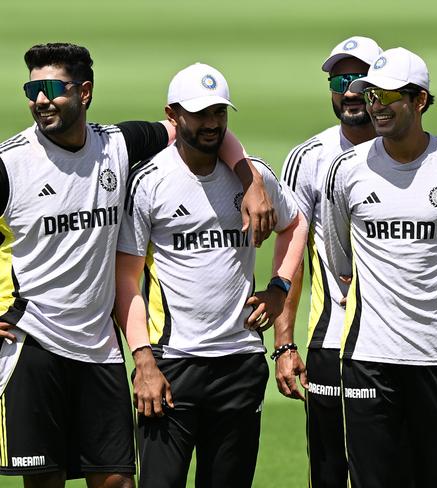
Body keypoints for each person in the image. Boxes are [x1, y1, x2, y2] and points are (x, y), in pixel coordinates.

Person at [0, 43, 274, 488]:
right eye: (32, 88)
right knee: (44, 482)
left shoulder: (119, 145)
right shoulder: (9, 163)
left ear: (84, 92)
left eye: (52, 88)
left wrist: (250, 178)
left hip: (100, 346)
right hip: (34, 343)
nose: (40, 99)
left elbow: (203, 126)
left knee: (118, 482)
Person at [114, 62, 308, 488]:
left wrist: (279, 287)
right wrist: (143, 360)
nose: (211, 124)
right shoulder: (149, 182)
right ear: (173, 115)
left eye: (219, 113)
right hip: (172, 365)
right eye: (199, 114)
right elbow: (126, 279)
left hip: (240, 363)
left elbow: (296, 225)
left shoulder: (253, 176)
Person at [322, 47, 437, 487]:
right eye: (371, 94)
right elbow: (340, 260)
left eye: (388, 95)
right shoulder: (346, 169)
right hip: (367, 358)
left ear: (420, 100)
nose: (375, 105)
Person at [273, 35, 381, 487]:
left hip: (406, 345)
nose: (350, 90)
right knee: (330, 471)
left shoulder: (417, 156)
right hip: (331, 340)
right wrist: (284, 344)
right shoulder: (309, 158)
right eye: (340, 79)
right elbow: (291, 255)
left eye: (360, 77)